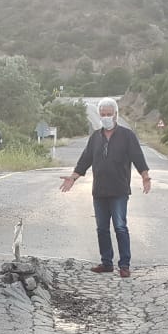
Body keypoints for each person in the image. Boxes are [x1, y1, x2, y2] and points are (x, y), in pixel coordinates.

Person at [59, 97, 152, 277]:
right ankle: (106, 263)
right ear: (99, 116)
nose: (106, 117)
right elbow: (85, 159)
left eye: (109, 114)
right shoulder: (95, 137)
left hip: (119, 191)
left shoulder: (127, 136)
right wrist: (73, 177)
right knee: (102, 228)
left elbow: (138, 157)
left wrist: (145, 176)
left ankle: (124, 265)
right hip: (99, 191)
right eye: (103, 115)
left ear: (116, 115)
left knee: (120, 227)